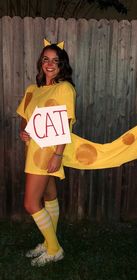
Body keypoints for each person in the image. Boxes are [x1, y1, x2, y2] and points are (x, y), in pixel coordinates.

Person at [17, 39, 76, 267]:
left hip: (48, 153)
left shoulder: (64, 89)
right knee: (48, 195)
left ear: (62, 65)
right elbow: (24, 119)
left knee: (31, 203)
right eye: (45, 59)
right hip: (32, 151)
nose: (50, 64)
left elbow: (66, 122)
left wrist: (58, 154)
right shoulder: (33, 90)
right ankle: (47, 240)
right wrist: (23, 132)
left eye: (55, 60)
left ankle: (54, 248)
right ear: (40, 63)